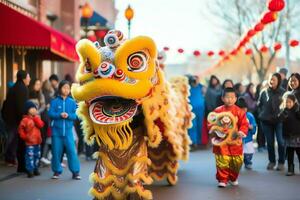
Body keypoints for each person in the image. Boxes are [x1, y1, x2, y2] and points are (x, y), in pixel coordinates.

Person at [208, 87, 248, 187]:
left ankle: (233, 177)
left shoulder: (240, 112)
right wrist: (215, 129)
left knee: (237, 161)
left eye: (232, 97)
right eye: (227, 97)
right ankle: (223, 179)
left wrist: (242, 131)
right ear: (222, 98)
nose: (229, 99)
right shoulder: (218, 111)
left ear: (235, 99)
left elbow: (244, 124)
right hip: (222, 142)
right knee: (222, 160)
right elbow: (211, 122)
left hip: (235, 141)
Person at [48, 80, 81, 180]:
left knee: (72, 151)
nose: (66, 90)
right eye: (64, 88)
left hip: (68, 132)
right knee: (56, 152)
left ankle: (75, 172)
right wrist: (59, 115)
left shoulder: (72, 102)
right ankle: (56, 172)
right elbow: (50, 114)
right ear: (60, 89)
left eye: (68, 88)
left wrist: (68, 115)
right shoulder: (54, 101)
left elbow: (76, 115)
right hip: (56, 132)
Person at [2, 70, 30, 172]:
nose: (29, 79)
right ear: (23, 78)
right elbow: (21, 107)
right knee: (15, 141)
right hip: (16, 120)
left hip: (10, 119)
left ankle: (11, 159)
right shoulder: (22, 89)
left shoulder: (14, 87)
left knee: (13, 140)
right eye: (28, 77)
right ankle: (13, 160)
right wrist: (24, 120)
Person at [258, 73, 285, 171]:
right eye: (270, 79)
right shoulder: (264, 92)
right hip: (266, 122)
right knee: (270, 143)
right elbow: (259, 105)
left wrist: (282, 116)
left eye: (274, 79)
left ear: (278, 81)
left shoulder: (283, 92)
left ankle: (281, 162)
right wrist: (262, 115)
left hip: (279, 121)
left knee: (281, 142)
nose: (271, 81)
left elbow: (286, 107)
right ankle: (272, 161)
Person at [18, 101, 44, 178]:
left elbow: (41, 125)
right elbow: (20, 130)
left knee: (37, 155)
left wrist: (36, 118)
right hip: (29, 142)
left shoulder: (37, 118)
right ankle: (30, 170)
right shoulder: (25, 120)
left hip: (37, 141)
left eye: (35, 108)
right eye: (31, 108)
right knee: (30, 156)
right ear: (27, 110)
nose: (34, 110)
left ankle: (36, 168)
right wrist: (25, 137)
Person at [278, 94, 300, 176]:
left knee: (299, 152)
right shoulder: (284, 111)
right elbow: (279, 119)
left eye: (290, 102)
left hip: (297, 136)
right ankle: (290, 169)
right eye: (286, 102)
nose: (288, 104)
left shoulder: (297, 110)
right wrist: (282, 114)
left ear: (294, 102)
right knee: (289, 153)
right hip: (288, 136)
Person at [236, 97, 257, 170]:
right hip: (238, 138)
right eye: (241, 109)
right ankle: (238, 163)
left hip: (248, 137)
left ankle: (248, 162)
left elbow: (253, 125)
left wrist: (250, 127)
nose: (244, 110)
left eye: (245, 108)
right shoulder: (236, 116)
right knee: (238, 152)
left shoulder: (250, 116)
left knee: (248, 152)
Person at [187, 75, 206, 149]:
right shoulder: (188, 87)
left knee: (199, 126)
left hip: (200, 110)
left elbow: (205, 90)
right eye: (193, 80)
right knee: (193, 126)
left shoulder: (200, 86)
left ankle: (198, 142)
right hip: (191, 110)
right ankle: (193, 142)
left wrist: (198, 81)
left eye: (196, 80)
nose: (194, 81)